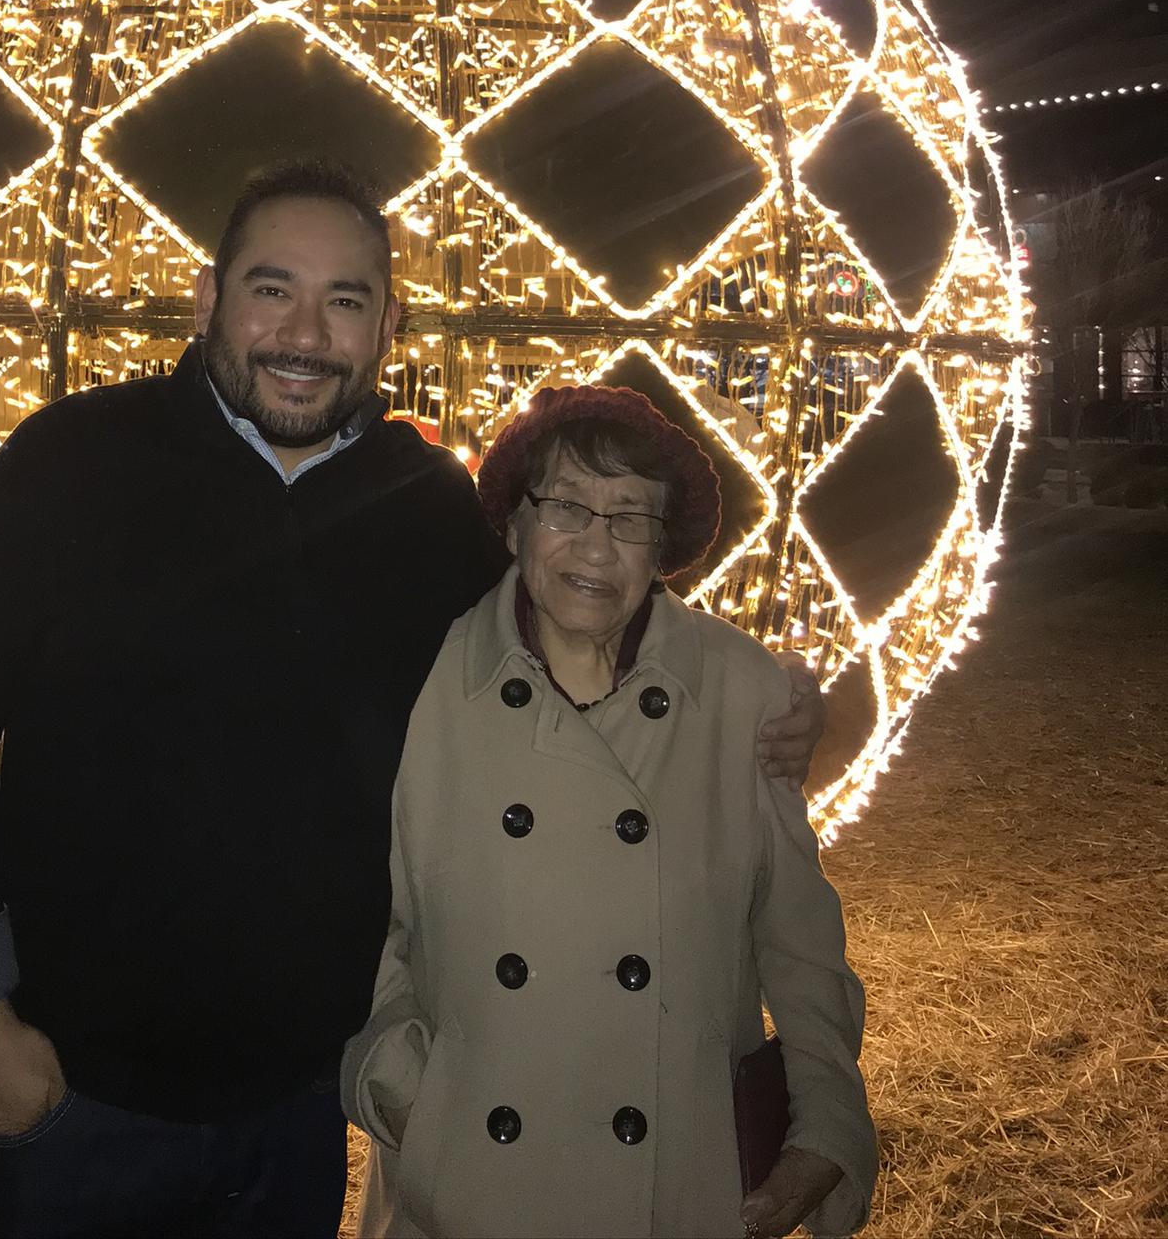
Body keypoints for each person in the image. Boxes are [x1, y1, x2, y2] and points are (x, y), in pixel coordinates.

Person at [0, 158, 826, 1239]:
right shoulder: (70, 461)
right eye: (272, 287)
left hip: (298, 1107)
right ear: (209, 297)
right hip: (70, 1098)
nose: (304, 332)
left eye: (346, 299)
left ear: (388, 325)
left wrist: (776, 700)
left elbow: (579, 619)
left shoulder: (426, 508)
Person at [342, 384, 877, 1239]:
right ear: (514, 525)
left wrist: (827, 1129)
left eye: (632, 518)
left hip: (678, 1182)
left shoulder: (745, 695)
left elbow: (801, 943)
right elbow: (366, 925)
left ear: (662, 549)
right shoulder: (420, 681)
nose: (598, 544)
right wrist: (406, 1089)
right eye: (567, 507)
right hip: (467, 1186)